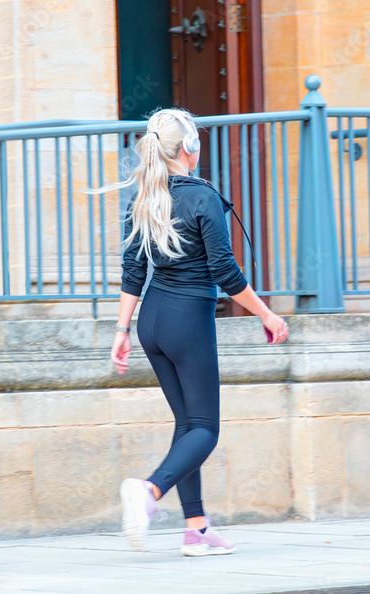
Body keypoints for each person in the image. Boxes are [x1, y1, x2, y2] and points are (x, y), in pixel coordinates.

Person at [99, 108, 289, 556]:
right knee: (205, 429)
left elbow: (133, 271)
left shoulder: (145, 197)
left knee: (188, 425)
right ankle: (149, 491)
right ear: (188, 149)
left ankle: (197, 529)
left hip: (152, 323)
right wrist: (267, 315)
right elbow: (224, 270)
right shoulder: (201, 197)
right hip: (187, 318)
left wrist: (122, 330)